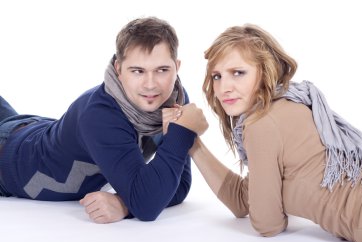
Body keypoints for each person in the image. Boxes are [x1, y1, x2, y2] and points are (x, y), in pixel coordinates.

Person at [187, 23, 362, 242]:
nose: (223, 88)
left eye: (238, 73)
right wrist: (192, 141)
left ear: (265, 72)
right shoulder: (291, 104)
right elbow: (242, 201)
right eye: (216, 76)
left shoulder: (262, 124)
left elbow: (267, 224)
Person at [0, 17, 208, 224]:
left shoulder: (175, 100)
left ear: (177, 67)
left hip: (33, 130)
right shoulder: (100, 115)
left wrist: (123, 204)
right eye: (137, 71)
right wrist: (181, 133)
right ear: (118, 69)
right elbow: (147, 205)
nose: (150, 85)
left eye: (162, 70)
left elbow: (179, 186)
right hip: (7, 161)